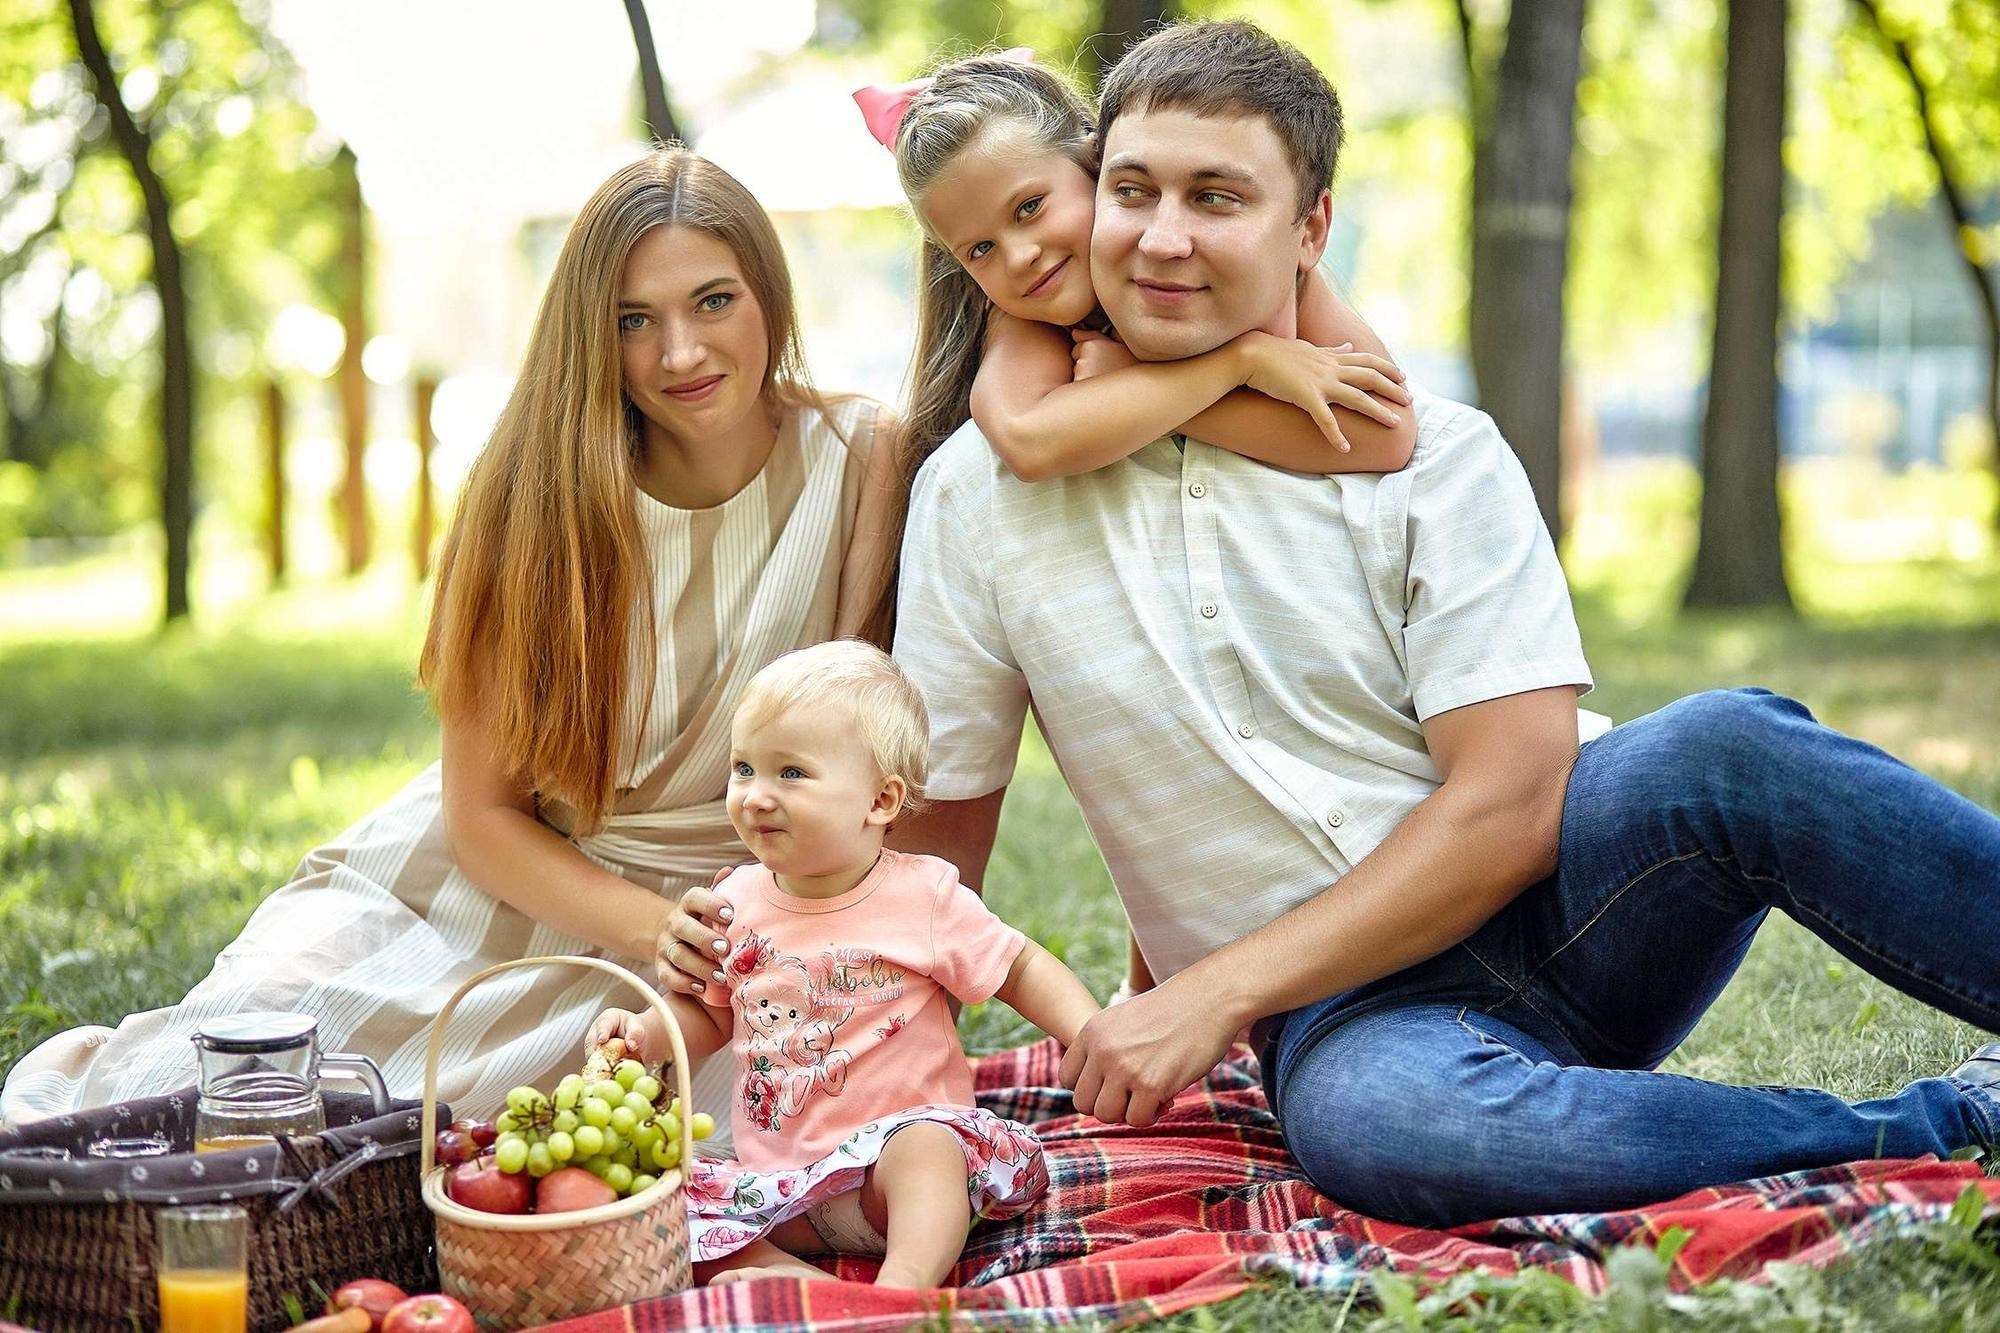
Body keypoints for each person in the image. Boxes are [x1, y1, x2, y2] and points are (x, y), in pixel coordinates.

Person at [668, 18, 2000, 1229]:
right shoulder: (982, 494)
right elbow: (931, 848)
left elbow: (1515, 802)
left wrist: (1205, 990)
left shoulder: (1425, 452)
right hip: (1359, 1023)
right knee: (1383, 1130)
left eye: (1218, 197)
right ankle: (1943, 1127)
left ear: (1311, 229)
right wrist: (793, 997)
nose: (1163, 236)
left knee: (1733, 748)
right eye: (1134, 191)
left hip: (1588, 892)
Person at [0, 148, 898, 1132]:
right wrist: (651, 929)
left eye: (713, 301)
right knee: (235, 1098)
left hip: (739, 925)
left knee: (736, 1140)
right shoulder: (530, 491)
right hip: (507, 886)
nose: (677, 353)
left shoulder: (859, 461)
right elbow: (481, 820)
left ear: (767, 292)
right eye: (632, 321)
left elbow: (877, 745)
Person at [592, 640, 1099, 1287]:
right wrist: (644, 1032)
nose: (756, 794)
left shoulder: (923, 894)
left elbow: (1019, 966)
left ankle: (904, 1284)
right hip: (783, 1191)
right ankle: (782, 1273)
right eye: (744, 768)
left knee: (929, 1148)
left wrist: (1087, 1031)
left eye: (791, 773)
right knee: (660, 1199)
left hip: (895, 1179)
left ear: (880, 800)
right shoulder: (735, 901)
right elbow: (708, 1014)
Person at [867, 51, 1414, 497]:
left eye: (1030, 208)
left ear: (1096, 165)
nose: (1018, 258)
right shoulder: (1023, 318)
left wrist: (1135, 385)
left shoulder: (1278, 276)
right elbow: (1029, 441)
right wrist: (1240, 364)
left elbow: (1384, 433)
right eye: (980, 249)